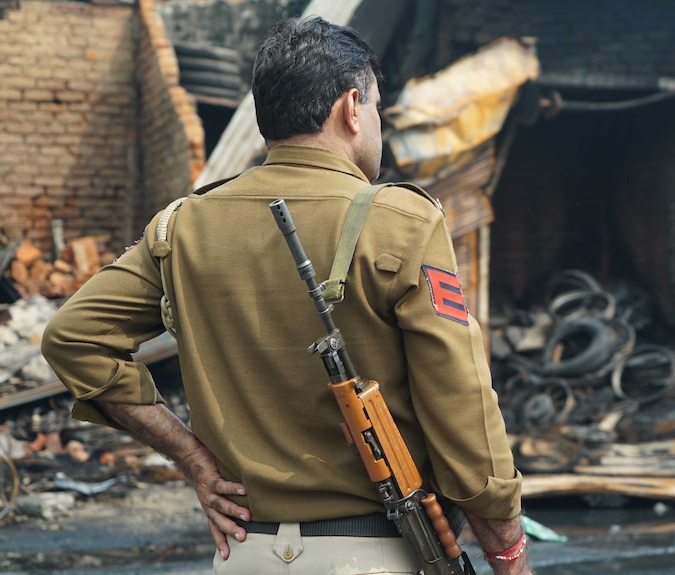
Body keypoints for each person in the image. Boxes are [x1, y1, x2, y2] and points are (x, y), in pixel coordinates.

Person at [41, 15, 532, 575]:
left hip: (243, 555)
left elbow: (73, 338)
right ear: (351, 107)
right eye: (375, 108)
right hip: (380, 554)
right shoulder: (401, 222)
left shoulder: (182, 225)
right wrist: (508, 553)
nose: (375, 124)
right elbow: (462, 411)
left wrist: (194, 461)